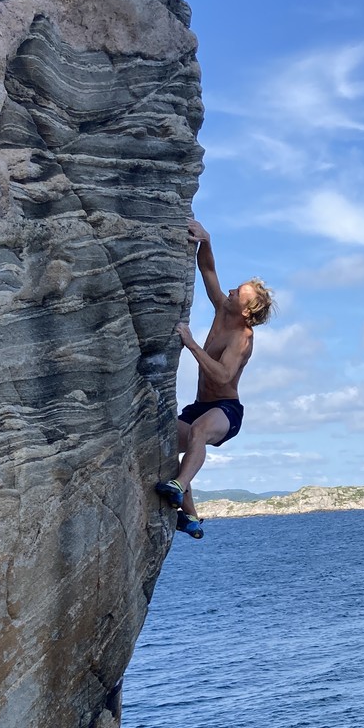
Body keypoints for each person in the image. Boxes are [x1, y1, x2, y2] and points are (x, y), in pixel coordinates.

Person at [155, 219, 274, 539]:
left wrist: (191, 344)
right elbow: (208, 270)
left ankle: (178, 486)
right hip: (200, 405)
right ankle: (191, 518)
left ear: (246, 311)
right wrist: (205, 241)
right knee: (165, 441)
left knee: (199, 431)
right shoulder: (223, 308)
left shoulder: (242, 338)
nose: (231, 291)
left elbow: (223, 375)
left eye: (239, 293)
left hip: (226, 409)